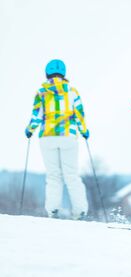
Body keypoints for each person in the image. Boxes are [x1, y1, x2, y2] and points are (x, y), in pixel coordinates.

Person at [25, 59, 90, 220]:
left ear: (47, 73)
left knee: (53, 175)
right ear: (63, 73)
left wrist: (29, 130)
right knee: (72, 175)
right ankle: (79, 210)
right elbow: (79, 115)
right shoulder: (72, 91)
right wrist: (84, 131)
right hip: (68, 136)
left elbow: (37, 116)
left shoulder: (41, 92)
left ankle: (53, 210)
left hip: (48, 137)